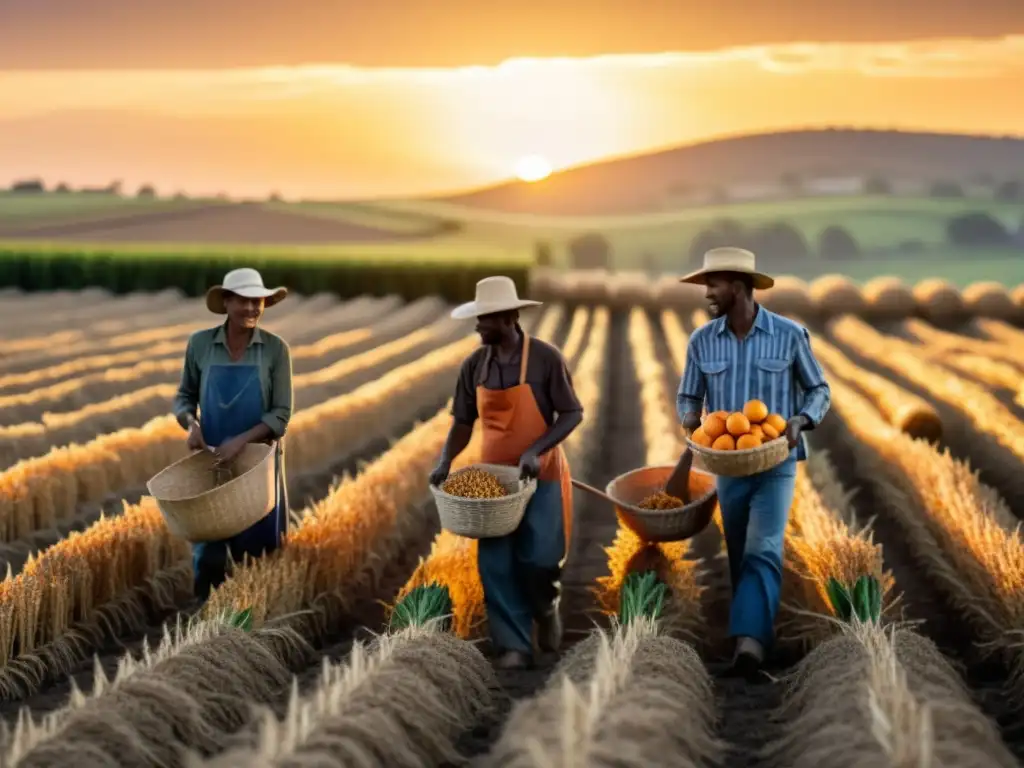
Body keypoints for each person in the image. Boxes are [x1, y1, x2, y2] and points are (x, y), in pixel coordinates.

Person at [675, 247, 830, 680]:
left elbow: (819, 390)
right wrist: (689, 416)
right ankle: (755, 631)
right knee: (741, 551)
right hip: (727, 465)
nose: (707, 293)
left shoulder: (789, 334)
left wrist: (801, 419)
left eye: (714, 284)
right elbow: (688, 396)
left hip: (775, 458)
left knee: (765, 546)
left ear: (739, 287)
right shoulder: (702, 341)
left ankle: (749, 645)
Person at [429, 276, 583, 670]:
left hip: (541, 475)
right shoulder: (475, 365)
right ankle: (513, 645)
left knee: (540, 560)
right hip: (493, 485)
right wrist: (446, 460)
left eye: (485, 320)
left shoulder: (546, 359)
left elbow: (572, 413)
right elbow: (463, 422)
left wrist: (536, 450)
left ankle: (546, 608)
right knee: (495, 564)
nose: (478, 326)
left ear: (509, 318)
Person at [172, 267, 294, 601]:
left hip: (256, 462)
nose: (253, 308)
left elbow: (281, 414)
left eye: (259, 301)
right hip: (213, 461)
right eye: (244, 300)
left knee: (256, 552)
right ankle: (205, 618)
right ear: (226, 302)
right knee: (209, 551)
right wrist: (192, 425)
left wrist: (241, 440)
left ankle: (248, 623)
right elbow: (185, 396)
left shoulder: (274, 349)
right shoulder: (200, 345)